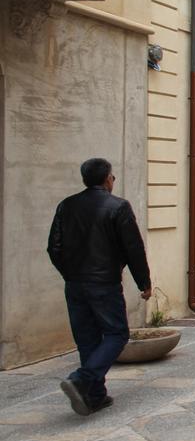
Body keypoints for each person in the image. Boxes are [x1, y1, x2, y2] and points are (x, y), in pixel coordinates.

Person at [47, 158, 152, 416]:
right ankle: (82, 379)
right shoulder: (118, 207)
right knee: (117, 334)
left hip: (75, 285)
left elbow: (54, 248)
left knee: (87, 338)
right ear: (107, 179)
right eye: (113, 177)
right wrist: (144, 282)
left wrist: (70, 274)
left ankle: (94, 395)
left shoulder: (66, 206)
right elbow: (133, 249)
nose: (113, 180)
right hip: (104, 283)